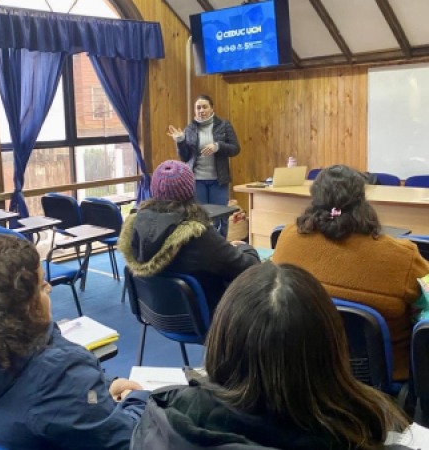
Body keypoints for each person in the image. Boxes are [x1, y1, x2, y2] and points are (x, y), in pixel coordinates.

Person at [131, 263, 410, 450]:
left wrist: (136, 397)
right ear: (331, 350)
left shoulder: (166, 420)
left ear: (221, 340)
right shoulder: (357, 431)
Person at [0, 237, 148, 450]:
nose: (49, 288)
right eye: (41, 285)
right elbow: (128, 441)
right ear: (21, 306)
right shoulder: (59, 373)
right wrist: (137, 399)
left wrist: (103, 387)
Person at [272, 165, 429, 381]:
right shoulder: (402, 257)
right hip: (382, 378)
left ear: (314, 200)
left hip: (305, 368)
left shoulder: (287, 238)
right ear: (362, 202)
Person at [118, 160, 260, 315]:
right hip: (207, 316)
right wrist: (244, 247)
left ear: (154, 189)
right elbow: (250, 267)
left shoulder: (134, 227)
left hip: (157, 314)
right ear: (190, 190)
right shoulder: (199, 236)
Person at [168, 94, 240, 238]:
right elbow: (184, 157)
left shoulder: (224, 125)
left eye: (205, 107)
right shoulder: (190, 129)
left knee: (221, 217)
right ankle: (203, 247)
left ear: (212, 108)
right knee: (199, 217)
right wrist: (180, 141)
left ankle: (221, 246)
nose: (201, 110)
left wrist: (218, 146)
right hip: (196, 180)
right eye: (198, 108)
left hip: (218, 181)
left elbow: (235, 149)